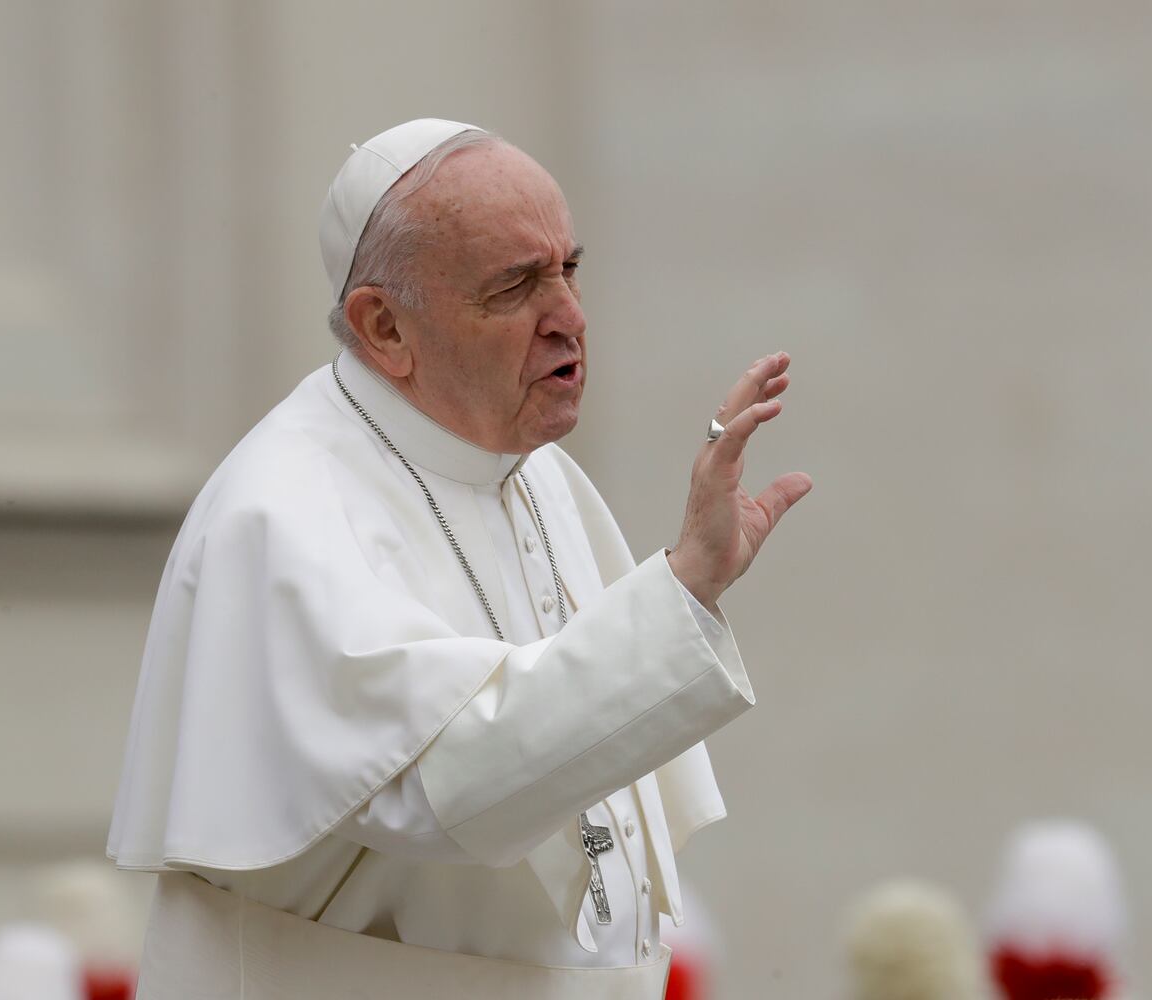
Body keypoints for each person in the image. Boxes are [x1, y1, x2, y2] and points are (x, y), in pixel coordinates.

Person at [107, 118, 812, 999]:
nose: (571, 317)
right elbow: (450, 784)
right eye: (516, 287)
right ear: (385, 329)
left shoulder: (541, 478)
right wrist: (683, 587)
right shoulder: (281, 513)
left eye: (570, 268)